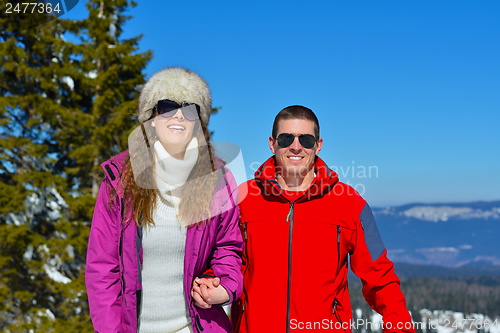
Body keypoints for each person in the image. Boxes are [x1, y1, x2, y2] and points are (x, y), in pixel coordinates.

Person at [227, 105, 414, 332]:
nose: (296, 147)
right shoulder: (241, 199)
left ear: (318, 145)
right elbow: (218, 257)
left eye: (306, 139)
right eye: (286, 138)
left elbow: (380, 277)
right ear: (272, 143)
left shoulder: (350, 203)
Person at [85, 67, 243, 333]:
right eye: (167, 106)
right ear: (152, 120)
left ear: (197, 124)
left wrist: (223, 286)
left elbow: (228, 249)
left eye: (190, 109)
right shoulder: (119, 181)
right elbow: (102, 268)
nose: (179, 115)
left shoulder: (218, 181)